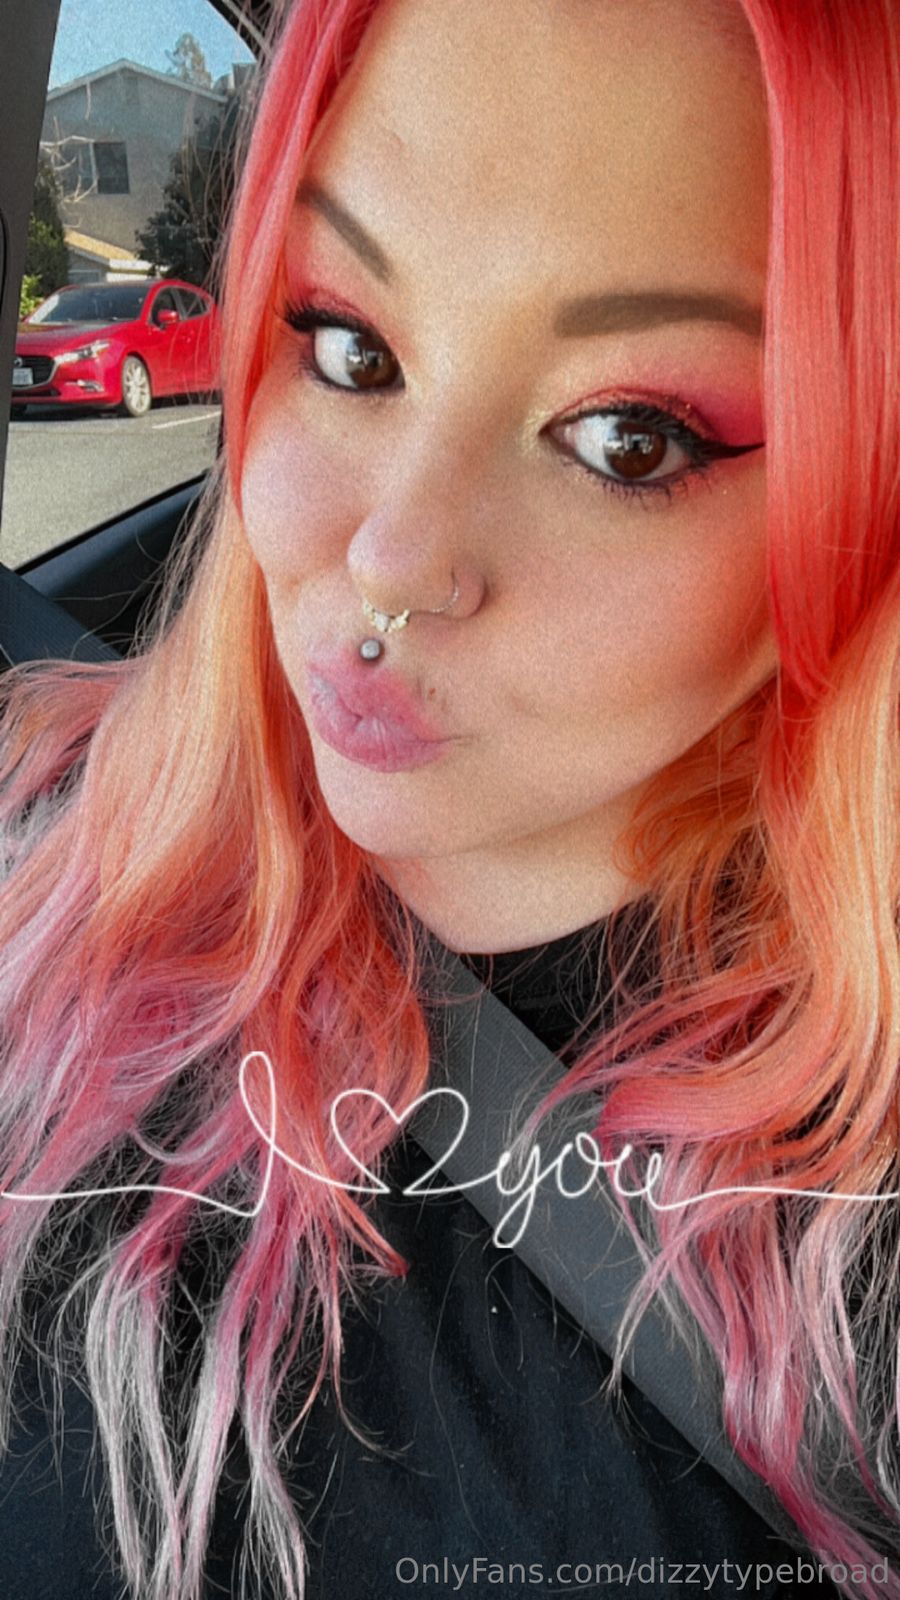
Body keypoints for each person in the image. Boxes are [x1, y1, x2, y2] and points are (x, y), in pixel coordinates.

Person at [0, 0, 896, 1597]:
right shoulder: (37, 820)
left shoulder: (854, 1257)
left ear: (863, 497)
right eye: (349, 345)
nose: (393, 561)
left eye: (629, 440)